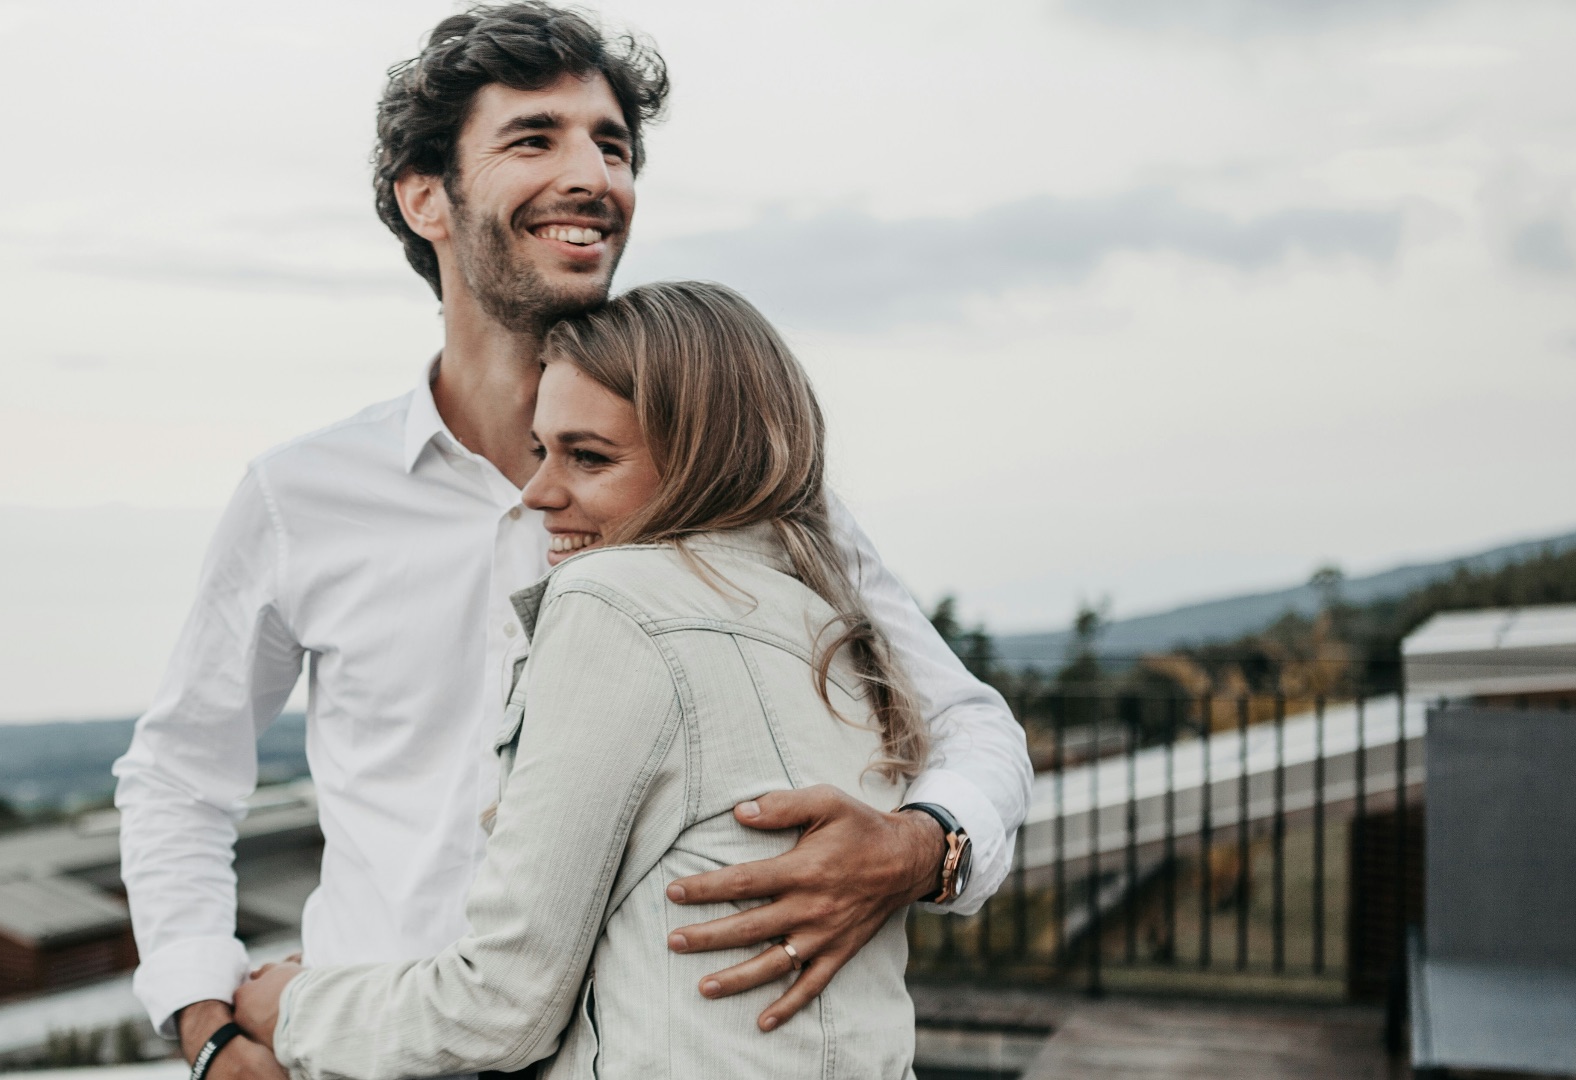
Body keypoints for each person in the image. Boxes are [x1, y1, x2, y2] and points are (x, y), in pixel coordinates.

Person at [111, 6, 1032, 1080]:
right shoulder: (300, 495)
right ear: (425, 198)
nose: (594, 173)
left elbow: (968, 722)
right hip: (364, 1049)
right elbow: (180, 772)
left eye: (613, 144)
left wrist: (921, 847)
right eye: (534, 138)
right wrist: (203, 1020)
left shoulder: (740, 482)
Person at [229, 281, 932, 1079]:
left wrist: (286, 1007)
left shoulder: (612, 602)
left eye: (588, 457)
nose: (538, 495)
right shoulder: (833, 620)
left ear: (704, 456)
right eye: (542, 451)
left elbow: (500, 1007)